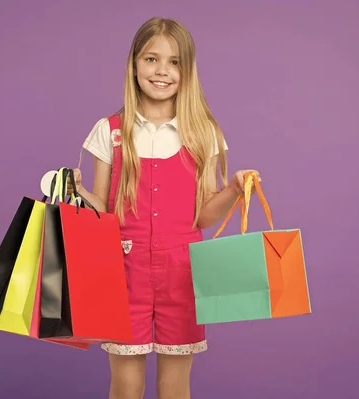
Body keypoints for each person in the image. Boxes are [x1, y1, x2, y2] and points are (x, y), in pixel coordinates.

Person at [71, 17, 260, 399]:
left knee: (175, 386)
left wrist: (235, 189)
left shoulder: (203, 132)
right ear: (134, 64)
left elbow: (203, 216)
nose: (161, 71)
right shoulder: (110, 130)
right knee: (125, 385)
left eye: (174, 62)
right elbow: (104, 214)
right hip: (123, 271)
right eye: (151, 59)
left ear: (187, 69)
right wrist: (76, 192)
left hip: (183, 272)